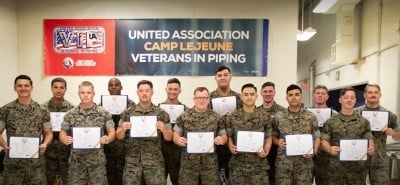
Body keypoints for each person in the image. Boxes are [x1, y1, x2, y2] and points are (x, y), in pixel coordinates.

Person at [116, 80, 172, 185]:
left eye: (147, 90)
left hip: (154, 162)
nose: (144, 93)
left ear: (152, 92)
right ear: (137, 93)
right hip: (133, 162)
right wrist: (123, 129)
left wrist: (163, 129)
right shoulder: (127, 113)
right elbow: (118, 136)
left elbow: (169, 137)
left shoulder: (162, 114)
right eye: (141, 91)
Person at [59, 81, 115, 185]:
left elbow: (112, 131)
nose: (85, 95)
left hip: (97, 160)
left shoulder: (103, 113)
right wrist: (65, 139)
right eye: (82, 92)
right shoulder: (70, 114)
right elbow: (62, 132)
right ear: (78, 94)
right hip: (76, 161)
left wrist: (108, 138)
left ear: (93, 94)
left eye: (88, 92)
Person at [0, 74, 53, 184]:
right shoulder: (5, 110)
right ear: (15, 88)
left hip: (36, 166)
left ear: (31, 88)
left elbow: (48, 133)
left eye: (26, 85)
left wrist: (45, 144)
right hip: (13, 165)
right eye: (19, 86)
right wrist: (4, 145)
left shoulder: (42, 111)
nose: (23, 88)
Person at [321, 87, 375, 185]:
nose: (349, 100)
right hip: (336, 168)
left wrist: (371, 147)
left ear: (355, 100)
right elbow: (324, 140)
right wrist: (329, 149)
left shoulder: (363, 122)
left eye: (352, 98)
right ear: (340, 100)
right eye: (346, 97)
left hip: (357, 169)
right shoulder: (330, 122)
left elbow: (369, 137)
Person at [173, 87, 227, 185]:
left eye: (205, 98)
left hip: (210, 165)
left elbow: (224, 134)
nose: (201, 100)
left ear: (208, 99)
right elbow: (176, 133)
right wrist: (178, 139)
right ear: (194, 99)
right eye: (198, 98)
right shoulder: (184, 116)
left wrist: (222, 139)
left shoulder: (216, 117)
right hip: (189, 165)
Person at [272, 84, 320, 185]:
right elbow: (272, 135)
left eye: (297, 94)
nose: (294, 97)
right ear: (287, 98)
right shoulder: (278, 116)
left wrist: (314, 150)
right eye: (291, 95)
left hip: (304, 165)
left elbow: (317, 136)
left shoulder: (310, 117)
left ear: (301, 97)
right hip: (284, 165)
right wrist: (277, 142)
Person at [227, 83, 272, 184]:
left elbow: (269, 137)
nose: (249, 97)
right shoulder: (233, 116)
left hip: (258, 165)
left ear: (256, 96)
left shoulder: (265, 116)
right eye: (246, 94)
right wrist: (230, 145)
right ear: (241, 96)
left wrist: (266, 150)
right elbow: (229, 136)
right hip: (238, 164)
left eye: (252, 94)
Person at [355, 84, 400, 185]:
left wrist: (392, 132)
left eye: (376, 92)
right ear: (365, 95)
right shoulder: (356, 113)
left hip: (380, 159)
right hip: (359, 157)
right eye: (370, 92)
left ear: (380, 95)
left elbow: (398, 135)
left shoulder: (389, 114)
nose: (373, 95)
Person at [209, 65, 243, 184]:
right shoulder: (207, 98)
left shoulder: (240, 98)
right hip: (214, 146)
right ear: (215, 78)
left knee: (232, 178)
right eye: (219, 75)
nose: (222, 78)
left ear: (230, 77)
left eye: (225, 75)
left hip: (234, 145)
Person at [100, 77, 135, 185]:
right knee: (109, 175)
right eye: (111, 85)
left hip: (125, 147)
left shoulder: (131, 105)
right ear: (108, 88)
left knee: (125, 177)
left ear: (121, 87)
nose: (114, 87)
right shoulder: (101, 105)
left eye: (116, 84)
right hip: (108, 146)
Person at [42, 77, 74, 185]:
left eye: (61, 88)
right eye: (56, 87)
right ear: (51, 88)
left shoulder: (72, 109)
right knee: (47, 179)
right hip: (48, 150)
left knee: (68, 179)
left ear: (66, 89)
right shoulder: (42, 108)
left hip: (66, 150)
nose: (58, 90)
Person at [159, 78, 187, 185]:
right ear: (166, 89)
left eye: (175, 89)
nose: (172, 91)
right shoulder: (157, 110)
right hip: (160, 153)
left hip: (178, 154)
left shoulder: (186, 111)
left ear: (180, 91)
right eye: (170, 89)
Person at [257, 81, 286, 185]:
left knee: (276, 179)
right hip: (260, 151)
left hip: (277, 152)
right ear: (261, 93)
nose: (268, 94)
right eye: (265, 91)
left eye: (270, 91)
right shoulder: (256, 111)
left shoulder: (283, 112)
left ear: (274, 92)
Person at [310, 85, 337, 185]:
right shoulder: (305, 114)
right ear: (313, 96)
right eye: (318, 93)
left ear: (327, 97)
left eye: (323, 93)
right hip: (309, 156)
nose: (320, 95)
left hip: (327, 158)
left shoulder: (334, 115)